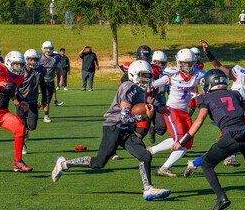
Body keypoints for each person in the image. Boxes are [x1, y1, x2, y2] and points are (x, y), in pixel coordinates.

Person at [51, 61, 171, 201]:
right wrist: (144, 116)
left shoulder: (140, 89)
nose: (147, 79)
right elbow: (125, 117)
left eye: (149, 76)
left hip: (126, 130)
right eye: (144, 76)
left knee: (145, 155)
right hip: (114, 127)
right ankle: (64, 164)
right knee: (98, 163)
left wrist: (157, 109)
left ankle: (148, 189)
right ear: (133, 74)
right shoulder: (128, 87)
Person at [172, 69, 245, 210]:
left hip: (230, 136)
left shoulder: (205, 98)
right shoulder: (234, 94)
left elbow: (198, 122)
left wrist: (182, 142)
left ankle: (221, 198)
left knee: (207, 164)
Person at [184, 41, 245, 175]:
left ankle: (195, 163)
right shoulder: (240, 74)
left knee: (224, 147)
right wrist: (208, 53)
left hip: (237, 114)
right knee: (241, 134)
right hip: (222, 109)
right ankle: (230, 156)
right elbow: (219, 67)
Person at [148, 48, 205, 177]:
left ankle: (151, 150)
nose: (186, 66)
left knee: (186, 141)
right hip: (172, 110)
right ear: (179, 62)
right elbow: (152, 85)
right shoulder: (172, 74)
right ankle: (164, 168)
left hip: (184, 112)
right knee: (181, 142)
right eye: (184, 63)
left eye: (189, 63)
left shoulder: (199, 74)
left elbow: (209, 82)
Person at [15, 49, 46, 155]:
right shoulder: (20, 70)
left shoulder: (40, 70)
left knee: (32, 126)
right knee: (21, 126)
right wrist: (15, 99)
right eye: (30, 59)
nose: (33, 61)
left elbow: (43, 84)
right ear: (26, 59)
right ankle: (23, 144)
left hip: (33, 101)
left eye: (35, 59)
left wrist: (44, 98)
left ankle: (27, 131)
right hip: (21, 100)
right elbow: (13, 86)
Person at [40, 41, 64, 122]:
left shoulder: (56, 57)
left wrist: (61, 79)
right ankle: (46, 116)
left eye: (50, 48)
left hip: (50, 80)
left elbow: (60, 69)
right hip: (41, 81)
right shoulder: (39, 57)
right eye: (46, 48)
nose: (48, 50)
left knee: (48, 99)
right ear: (43, 48)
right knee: (45, 99)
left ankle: (39, 105)